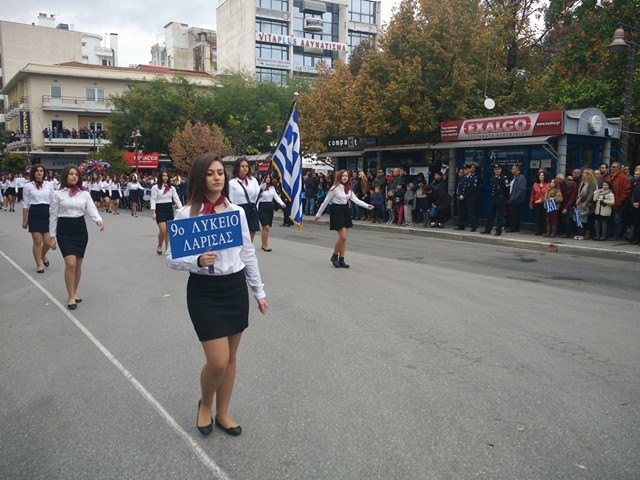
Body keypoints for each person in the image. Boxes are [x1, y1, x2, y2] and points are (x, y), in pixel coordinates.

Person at [166, 155, 268, 437]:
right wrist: (197, 261)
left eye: (220, 173)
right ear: (201, 177)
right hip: (204, 292)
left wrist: (258, 292)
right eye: (210, 173)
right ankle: (205, 403)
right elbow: (171, 258)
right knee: (218, 361)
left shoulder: (236, 213)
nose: (217, 177)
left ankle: (222, 412)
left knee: (231, 357)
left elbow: (248, 253)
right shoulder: (186, 214)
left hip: (234, 288)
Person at [48, 165, 104, 310]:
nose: (74, 176)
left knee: (78, 264)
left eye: (76, 174)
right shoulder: (57, 194)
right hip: (64, 229)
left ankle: (74, 292)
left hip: (80, 229)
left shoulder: (84, 193)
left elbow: (91, 208)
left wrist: (98, 219)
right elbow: (53, 216)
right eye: (71, 174)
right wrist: (52, 236)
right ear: (65, 176)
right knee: (70, 263)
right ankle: (71, 296)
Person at [314, 169, 374, 268]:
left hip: (345, 211)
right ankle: (334, 256)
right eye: (343, 176)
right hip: (336, 211)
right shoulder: (334, 188)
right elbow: (325, 202)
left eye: (346, 176)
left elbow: (356, 200)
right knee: (343, 237)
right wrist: (318, 214)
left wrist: (367, 206)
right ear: (339, 177)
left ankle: (342, 259)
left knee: (344, 239)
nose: (345, 177)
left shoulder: (348, 188)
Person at [21, 165, 55, 273]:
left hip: (46, 213)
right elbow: (25, 204)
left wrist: (55, 216)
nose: (39, 172)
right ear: (33, 173)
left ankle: (42, 255)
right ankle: (39, 264)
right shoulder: (28, 186)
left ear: (44, 173)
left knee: (48, 242)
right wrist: (24, 219)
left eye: (41, 171)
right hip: (34, 213)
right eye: (37, 171)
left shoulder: (49, 185)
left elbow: (53, 202)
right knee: (37, 241)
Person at [151, 171, 183, 255]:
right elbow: (153, 200)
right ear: (160, 177)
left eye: (166, 176)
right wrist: (153, 212)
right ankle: (159, 245)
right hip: (159, 209)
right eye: (163, 175)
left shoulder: (172, 188)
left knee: (168, 231)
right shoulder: (155, 187)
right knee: (163, 230)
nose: (165, 177)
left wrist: (181, 208)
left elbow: (176, 199)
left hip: (168, 208)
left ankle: (167, 249)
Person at [229, 158, 261, 241]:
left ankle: (250, 245)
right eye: (242, 166)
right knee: (242, 232)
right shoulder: (232, 183)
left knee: (253, 229)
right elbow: (231, 200)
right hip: (240, 209)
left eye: (246, 166)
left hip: (252, 208)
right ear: (237, 168)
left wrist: (256, 207)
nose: (245, 168)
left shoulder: (253, 180)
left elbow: (257, 195)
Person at [257, 174, 286, 251]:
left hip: (269, 207)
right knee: (265, 226)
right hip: (262, 207)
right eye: (266, 177)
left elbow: (276, 196)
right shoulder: (261, 187)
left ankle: (263, 244)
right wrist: (261, 187)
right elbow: (256, 197)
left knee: (266, 228)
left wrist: (282, 203)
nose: (268, 178)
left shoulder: (272, 188)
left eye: (269, 177)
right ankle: (266, 245)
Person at [605, 162, 631, 239]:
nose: (612, 168)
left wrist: (619, 200)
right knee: (609, 219)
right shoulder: (609, 176)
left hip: (618, 203)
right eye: (611, 167)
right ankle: (609, 234)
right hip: (609, 202)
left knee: (617, 220)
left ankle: (616, 235)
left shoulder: (623, 177)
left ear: (618, 168)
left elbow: (626, 190)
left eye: (614, 167)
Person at [482, 164, 510, 236]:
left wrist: (505, 198)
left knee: (499, 216)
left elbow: (506, 189)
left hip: (500, 199)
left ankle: (498, 231)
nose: (496, 171)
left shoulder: (504, 178)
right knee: (490, 215)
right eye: (495, 169)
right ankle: (488, 229)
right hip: (493, 198)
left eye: (498, 169)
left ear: (500, 170)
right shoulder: (492, 177)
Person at [574, 169, 596, 240]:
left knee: (588, 218)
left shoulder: (592, 183)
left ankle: (588, 233)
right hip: (580, 201)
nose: (583, 174)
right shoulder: (582, 182)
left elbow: (591, 194)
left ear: (589, 175)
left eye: (585, 173)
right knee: (580, 218)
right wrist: (578, 199)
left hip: (588, 203)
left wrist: (585, 202)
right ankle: (579, 233)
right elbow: (579, 192)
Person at [529, 170, 549, 235]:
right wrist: (531, 202)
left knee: (544, 217)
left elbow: (548, 194)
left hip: (545, 203)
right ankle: (538, 230)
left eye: (542, 175)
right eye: (539, 175)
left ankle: (544, 230)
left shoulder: (548, 184)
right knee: (537, 217)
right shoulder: (535, 184)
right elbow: (532, 194)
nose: (541, 176)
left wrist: (543, 199)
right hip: (536, 203)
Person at [507, 165, 526, 233]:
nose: (512, 170)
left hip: (516, 200)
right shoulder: (513, 177)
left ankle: (513, 228)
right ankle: (515, 228)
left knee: (513, 214)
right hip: (512, 199)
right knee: (513, 214)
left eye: (513, 169)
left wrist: (515, 197)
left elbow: (522, 189)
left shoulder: (521, 177)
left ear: (517, 170)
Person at [629, 166, 640, 245]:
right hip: (635, 205)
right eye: (635, 174)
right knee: (636, 223)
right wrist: (633, 202)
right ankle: (636, 238)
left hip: (638, 204)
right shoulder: (635, 183)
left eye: (638, 174)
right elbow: (632, 194)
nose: (635, 175)